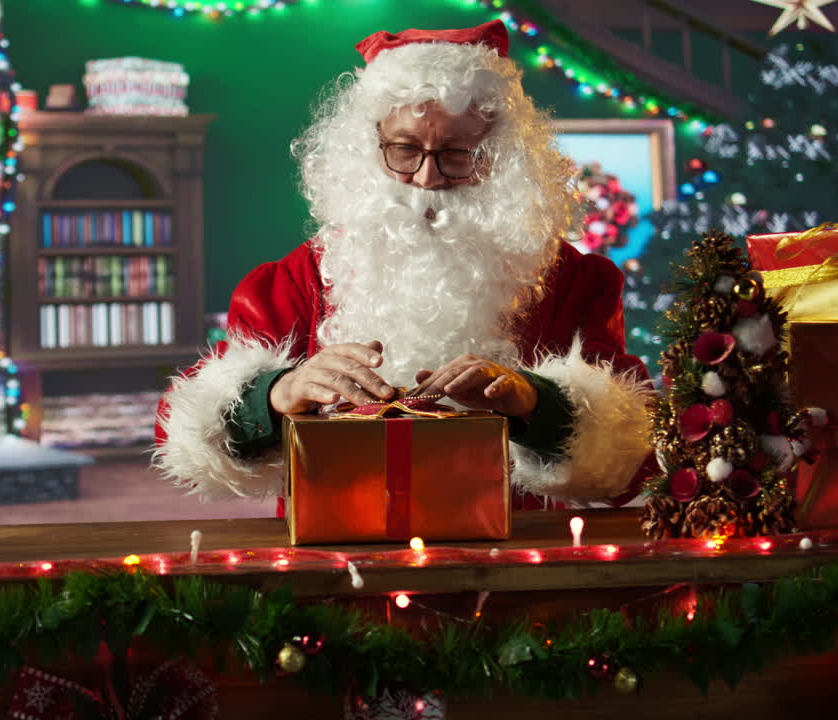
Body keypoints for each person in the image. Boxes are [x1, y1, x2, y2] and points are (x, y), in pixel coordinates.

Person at [153, 21, 653, 510]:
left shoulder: (577, 282)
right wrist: (275, 393)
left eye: (458, 153)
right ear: (368, 148)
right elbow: (186, 427)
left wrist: (534, 401)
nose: (427, 177)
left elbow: (629, 458)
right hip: (335, 558)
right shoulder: (293, 281)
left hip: (516, 561)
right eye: (404, 149)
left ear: (501, 157)